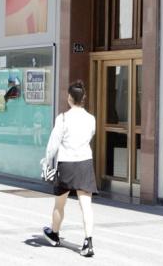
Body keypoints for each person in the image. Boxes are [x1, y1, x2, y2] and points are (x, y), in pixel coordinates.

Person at [41, 81, 97, 257]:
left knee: (60, 203)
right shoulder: (90, 119)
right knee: (86, 205)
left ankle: (54, 234)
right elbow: (90, 135)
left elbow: (53, 144)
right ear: (84, 98)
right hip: (85, 162)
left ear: (70, 98)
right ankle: (88, 242)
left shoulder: (63, 118)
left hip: (66, 164)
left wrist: (47, 161)